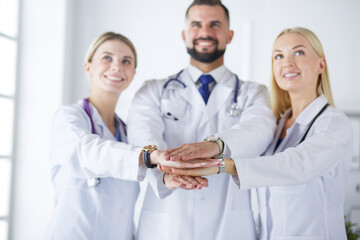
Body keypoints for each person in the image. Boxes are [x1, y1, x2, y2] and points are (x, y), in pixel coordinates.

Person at [166, 27, 353, 239]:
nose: (287, 62)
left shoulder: (334, 123)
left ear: (321, 64)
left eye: (298, 52)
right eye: (279, 56)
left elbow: (298, 165)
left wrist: (223, 165)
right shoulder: (277, 125)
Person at [127, 0, 276, 239]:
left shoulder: (254, 93)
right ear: (185, 35)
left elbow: (259, 130)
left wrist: (215, 145)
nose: (205, 32)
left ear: (230, 35)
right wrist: (166, 173)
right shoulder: (152, 91)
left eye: (215, 24)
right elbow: (142, 134)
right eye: (196, 25)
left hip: (230, 226)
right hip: (166, 225)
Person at [44, 32, 216, 239]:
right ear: (88, 67)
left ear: (133, 73)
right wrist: (147, 156)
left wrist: (167, 179)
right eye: (107, 58)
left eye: (126, 61)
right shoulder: (69, 117)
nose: (117, 66)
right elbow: (86, 151)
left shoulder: (127, 133)